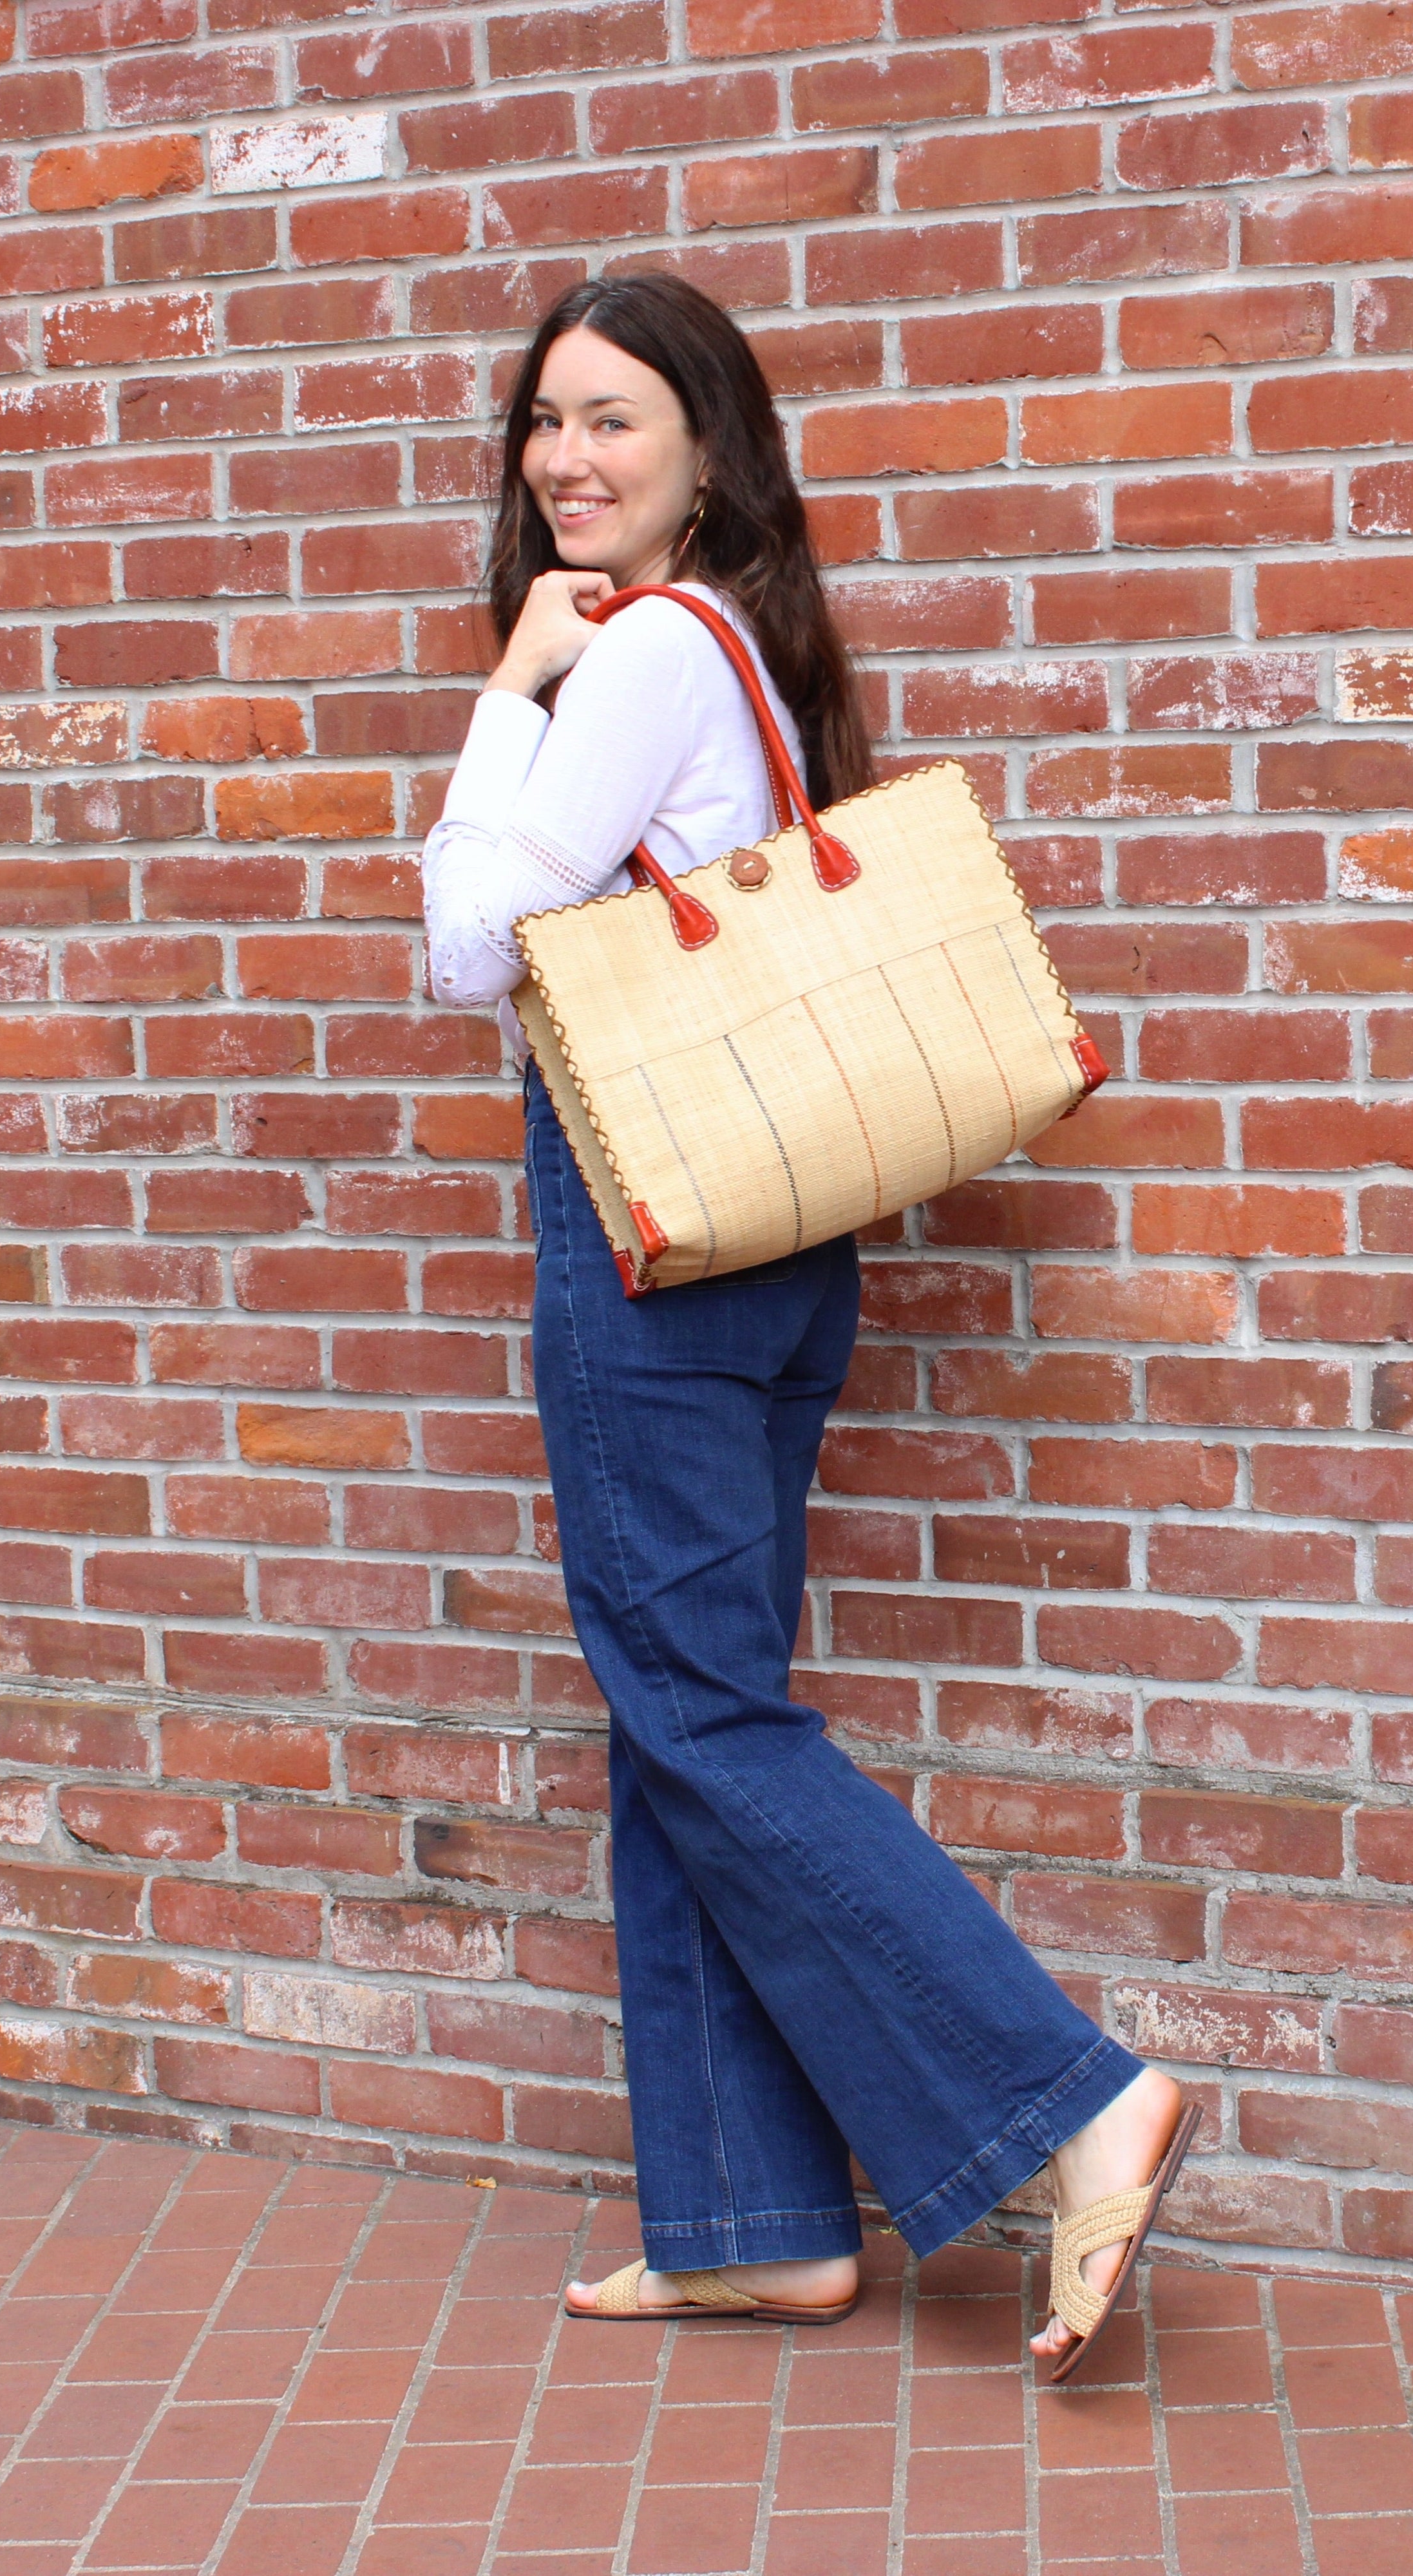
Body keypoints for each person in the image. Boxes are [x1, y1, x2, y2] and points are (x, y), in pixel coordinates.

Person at [417, 273, 1193, 2377]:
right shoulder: (744, 650)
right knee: (682, 1707)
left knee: (694, 1707)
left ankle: (1071, 2095)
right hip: (775, 1240)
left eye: (613, 423)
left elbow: (473, 944)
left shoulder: (650, 649)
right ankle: (754, 2219)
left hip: (655, 1227)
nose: (568, 462)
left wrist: (510, 686)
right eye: (543, 427)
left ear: (705, 449)